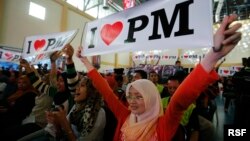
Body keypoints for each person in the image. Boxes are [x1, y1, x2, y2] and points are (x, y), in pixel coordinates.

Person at [76, 14, 241, 141]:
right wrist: (84, 61)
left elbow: (179, 101)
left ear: (151, 98)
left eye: (139, 96)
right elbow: (106, 91)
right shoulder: (124, 116)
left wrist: (212, 56)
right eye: (130, 96)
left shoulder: (163, 125)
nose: (132, 101)